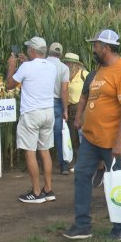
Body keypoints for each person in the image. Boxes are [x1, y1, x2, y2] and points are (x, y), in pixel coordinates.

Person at [63, 29, 121, 241]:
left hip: (112, 140)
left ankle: (120, 227)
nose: (93, 48)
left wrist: (118, 141)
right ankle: (82, 225)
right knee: (81, 176)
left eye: (96, 45)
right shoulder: (101, 69)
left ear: (106, 48)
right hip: (92, 139)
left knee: (116, 182)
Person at [6, 36, 57, 203]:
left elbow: (9, 85)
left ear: (33, 50)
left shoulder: (26, 67)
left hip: (31, 114)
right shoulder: (51, 66)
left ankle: (36, 192)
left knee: (30, 151)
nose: (27, 50)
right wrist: (27, 62)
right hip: (48, 113)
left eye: (29, 48)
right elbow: (37, 73)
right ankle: (48, 189)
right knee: (45, 151)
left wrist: (12, 67)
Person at [62, 53, 89, 170]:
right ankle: (77, 161)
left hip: (81, 108)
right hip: (69, 108)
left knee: (83, 136)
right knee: (73, 137)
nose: (66, 64)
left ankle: (85, 161)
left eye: (67, 63)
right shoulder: (65, 76)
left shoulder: (84, 74)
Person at [46, 42, 70, 175]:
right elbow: (64, 90)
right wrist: (65, 110)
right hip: (56, 103)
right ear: (61, 54)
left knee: (43, 134)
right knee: (59, 135)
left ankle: (44, 164)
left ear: (48, 51)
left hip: (43, 103)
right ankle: (63, 165)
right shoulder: (64, 68)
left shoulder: (42, 64)